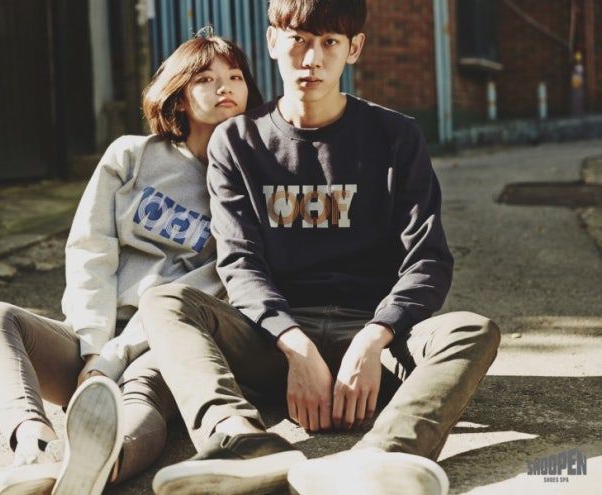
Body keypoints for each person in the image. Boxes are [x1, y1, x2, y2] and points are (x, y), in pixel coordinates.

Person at [140, 1, 501, 494]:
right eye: (299, 40)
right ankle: (240, 441)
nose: (312, 59)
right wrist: (295, 345)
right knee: (165, 301)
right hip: (273, 345)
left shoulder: (396, 136)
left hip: (375, 342)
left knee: (472, 330)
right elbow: (240, 262)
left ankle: (382, 458)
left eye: (330, 42)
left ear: (354, 48)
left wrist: (374, 339)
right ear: (273, 42)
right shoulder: (237, 141)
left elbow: (428, 260)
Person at [0, 28, 263, 495]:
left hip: (169, 340)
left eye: (235, 76)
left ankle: (88, 471)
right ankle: (33, 445)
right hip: (96, 335)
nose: (224, 86)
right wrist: (92, 349)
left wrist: (116, 357)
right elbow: (91, 250)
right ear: (179, 96)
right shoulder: (132, 156)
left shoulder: (249, 181)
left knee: (140, 396)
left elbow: (217, 281)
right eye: (205, 78)